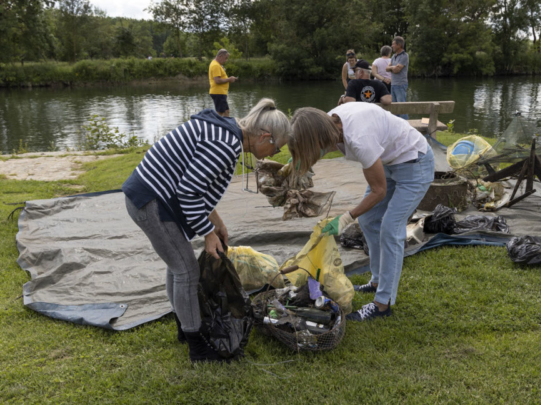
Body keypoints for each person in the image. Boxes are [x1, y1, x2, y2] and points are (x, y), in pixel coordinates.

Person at [122, 98, 289, 363]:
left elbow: (198, 185)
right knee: (186, 270)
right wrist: (208, 233)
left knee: (178, 263)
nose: (275, 153)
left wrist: (217, 221)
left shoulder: (227, 130)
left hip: (153, 196)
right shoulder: (226, 144)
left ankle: (184, 327)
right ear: (264, 136)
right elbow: (188, 192)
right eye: (277, 147)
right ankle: (197, 347)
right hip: (150, 201)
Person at [288, 102, 435, 322]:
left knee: (390, 228)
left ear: (319, 137)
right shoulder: (327, 121)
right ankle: (376, 281)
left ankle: (382, 304)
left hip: (415, 163)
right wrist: (299, 159)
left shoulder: (359, 138)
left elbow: (379, 191)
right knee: (368, 219)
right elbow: (322, 145)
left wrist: (347, 217)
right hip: (389, 160)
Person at [209, 49, 238, 117]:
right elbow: (217, 80)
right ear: (220, 56)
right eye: (225, 58)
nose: (226, 60)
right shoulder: (215, 65)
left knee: (226, 111)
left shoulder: (217, 64)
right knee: (220, 113)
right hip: (218, 93)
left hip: (221, 93)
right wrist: (229, 79)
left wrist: (229, 79)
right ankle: (216, 126)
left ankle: (227, 127)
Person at [386, 36, 409, 120]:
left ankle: (406, 126)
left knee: (402, 107)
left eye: (393, 44)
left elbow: (397, 70)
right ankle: (397, 127)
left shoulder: (404, 56)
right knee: (395, 109)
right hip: (393, 84)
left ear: (399, 45)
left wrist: (391, 67)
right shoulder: (393, 56)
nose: (392, 46)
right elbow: (387, 69)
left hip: (400, 85)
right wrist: (393, 67)